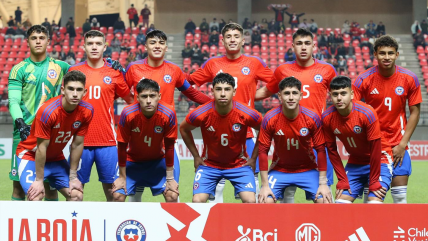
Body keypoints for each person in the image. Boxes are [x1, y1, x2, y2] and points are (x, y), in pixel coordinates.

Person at [187, 23, 274, 203]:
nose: (232, 39)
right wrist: (207, 102)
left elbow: (275, 84)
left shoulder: (254, 63)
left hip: (247, 133)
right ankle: (215, 227)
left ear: (243, 41)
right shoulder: (212, 64)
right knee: (214, 185)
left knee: (251, 188)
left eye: (236, 36)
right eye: (228, 36)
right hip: (217, 131)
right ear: (223, 40)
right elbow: (188, 84)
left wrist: (253, 96)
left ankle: (247, 227)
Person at [125, 29, 211, 202]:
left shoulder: (174, 70)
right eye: (153, 42)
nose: (157, 46)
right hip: (138, 134)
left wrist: (213, 104)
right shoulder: (133, 68)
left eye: (161, 43)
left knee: (172, 192)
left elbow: (191, 93)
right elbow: (120, 90)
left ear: (166, 47)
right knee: (135, 195)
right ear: (145, 46)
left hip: (165, 134)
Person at [255, 28, 337, 203]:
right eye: (299, 44)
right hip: (288, 134)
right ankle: (288, 228)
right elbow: (267, 91)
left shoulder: (327, 70)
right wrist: (240, 97)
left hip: (317, 137)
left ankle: (321, 228)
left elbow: (340, 94)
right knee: (287, 191)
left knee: (324, 192)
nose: (303, 47)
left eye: (307, 43)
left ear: (314, 46)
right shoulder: (283, 70)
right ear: (292, 47)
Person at [352, 35, 422, 203]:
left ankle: (400, 230)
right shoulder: (364, 79)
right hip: (373, 146)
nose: (386, 57)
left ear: (397, 55)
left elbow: (415, 112)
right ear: (375, 54)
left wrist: (403, 144)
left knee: (400, 197)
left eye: (390, 53)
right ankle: (370, 229)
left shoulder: (409, 78)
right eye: (382, 53)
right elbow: (352, 111)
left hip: (399, 145)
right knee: (373, 198)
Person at [68, 30, 133, 201]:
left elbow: (132, 102)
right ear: (83, 47)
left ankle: (112, 228)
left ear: (105, 47)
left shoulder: (114, 73)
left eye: (98, 43)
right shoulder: (74, 71)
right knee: (74, 195)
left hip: (108, 142)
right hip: (80, 142)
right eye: (90, 44)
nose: (94, 47)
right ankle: (78, 227)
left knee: (117, 195)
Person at [8, 25, 69, 202]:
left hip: (50, 134)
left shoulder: (61, 67)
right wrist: (20, 122)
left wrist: (109, 63)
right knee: (19, 188)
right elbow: (13, 100)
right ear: (27, 41)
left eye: (42, 37)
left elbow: (85, 73)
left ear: (48, 41)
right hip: (24, 134)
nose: (38, 41)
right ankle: (18, 228)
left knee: (50, 188)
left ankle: (51, 228)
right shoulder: (19, 69)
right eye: (34, 38)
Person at [180, 73, 262, 203]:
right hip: (209, 165)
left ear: (234, 91)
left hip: (239, 165)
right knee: (197, 201)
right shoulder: (201, 113)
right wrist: (196, 156)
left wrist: (253, 158)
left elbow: (264, 129)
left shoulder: (246, 113)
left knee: (251, 201)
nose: (223, 94)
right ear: (212, 91)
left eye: (227, 89)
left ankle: (243, 224)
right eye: (218, 89)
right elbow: (183, 129)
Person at [15, 70, 93, 201]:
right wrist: (39, 180)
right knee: (35, 196)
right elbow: (41, 148)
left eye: (79, 90)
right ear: (63, 90)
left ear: (84, 92)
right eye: (71, 89)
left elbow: (77, 143)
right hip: (30, 155)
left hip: (56, 158)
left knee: (76, 196)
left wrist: (73, 176)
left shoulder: (87, 111)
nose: (75, 94)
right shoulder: (48, 111)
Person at [258, 77, 332, 204]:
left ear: (301, 96)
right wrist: (265, 186)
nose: (291, 97)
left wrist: (323, 183)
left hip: (307, 169)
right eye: (287, 93)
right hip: (280, 170)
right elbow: (263, 151)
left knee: (325, 201)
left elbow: (320, 150)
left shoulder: (312, 117)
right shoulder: (270, 118)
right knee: (265, 201)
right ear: (280, 96)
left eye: (294, 93)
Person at [323, 76, 392, 204]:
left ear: (352, 94)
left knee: (374, 202)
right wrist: (342, 179)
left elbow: (376, 149)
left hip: (380, 160)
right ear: (330, 96)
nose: (339, 98)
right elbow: (332, 151)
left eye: (343, 93)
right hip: (355, 163)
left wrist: (375, 180)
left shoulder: (366, 113)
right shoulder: (327, 118)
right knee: (340, 204)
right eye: (335, 94)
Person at [112, 79, 179, 202]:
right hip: (133, 161)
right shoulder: (128, 114)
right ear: (137, 97)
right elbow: (122, 146)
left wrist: (170, 178)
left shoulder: (168, 113)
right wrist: (122, 176)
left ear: (159, 96)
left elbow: (169, 147)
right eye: (144, 96)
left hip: (159, 161)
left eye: (152, 96)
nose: (148, 101)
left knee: (172, 195)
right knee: (117, 196)